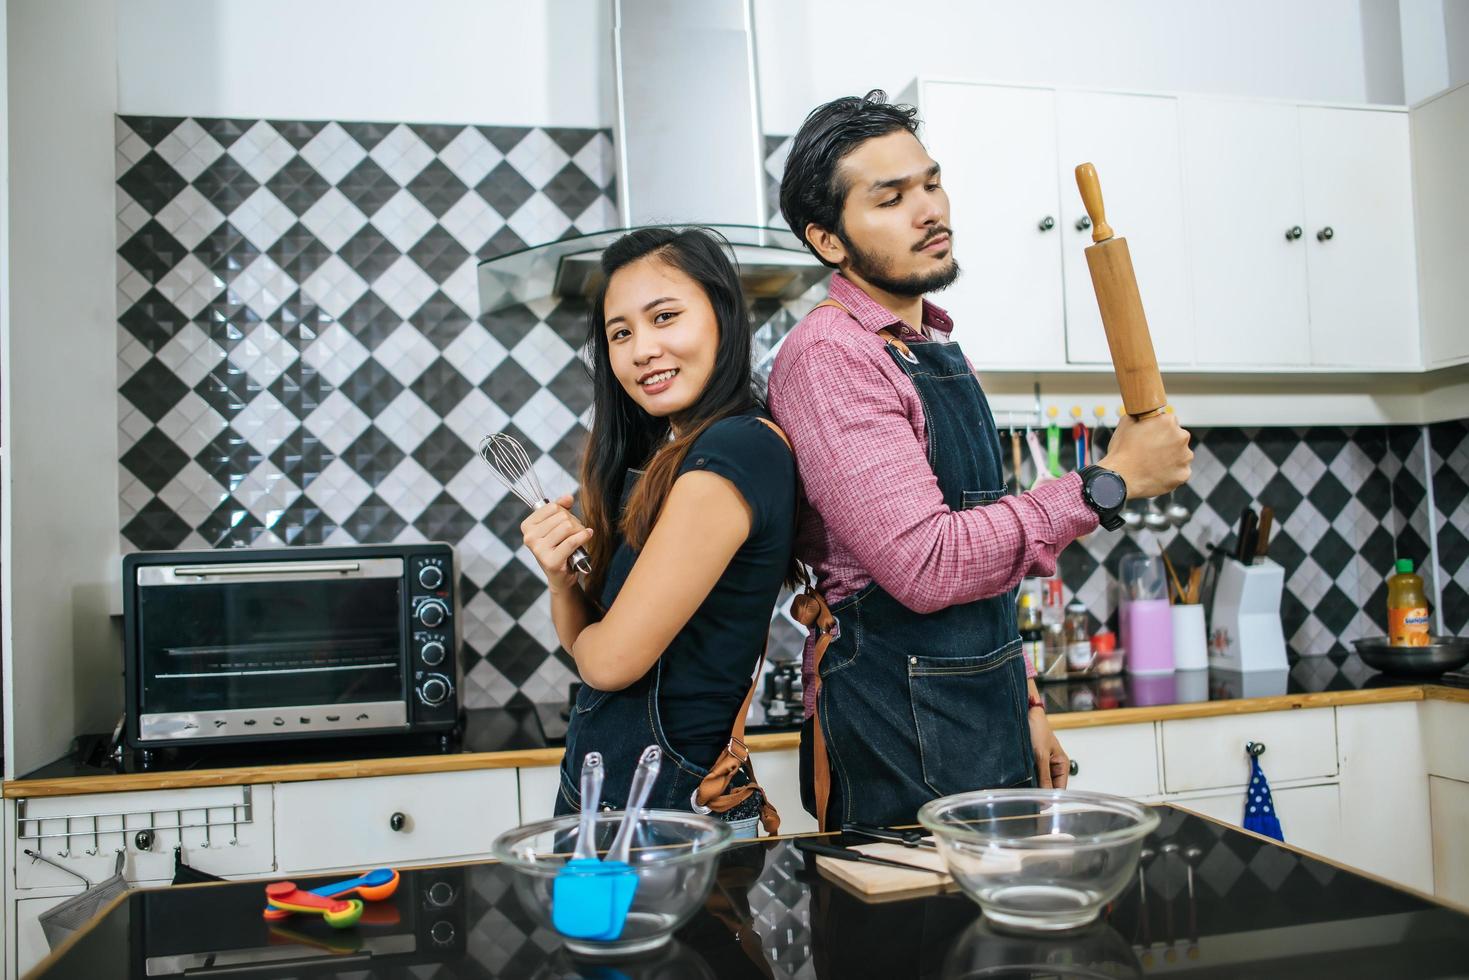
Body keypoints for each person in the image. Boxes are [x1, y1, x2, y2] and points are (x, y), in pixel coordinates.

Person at [769, 91, 1193, 829]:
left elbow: (980, 562)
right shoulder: (831, 355)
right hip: (894, 727)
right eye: (891, 198)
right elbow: (927, 564)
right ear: (828, 240)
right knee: (916, 942)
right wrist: (1105, 484)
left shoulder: (928, 345)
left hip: (979, 708)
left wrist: (1022, 698)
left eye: (930, 183)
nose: (929, 209)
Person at [522, 227, 796, 838]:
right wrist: (560, 575)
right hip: (625, 803)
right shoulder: (673, 456)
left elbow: (609, 661)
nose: (642, 349)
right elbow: (585, 642)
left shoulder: (738, 449)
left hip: (667, 813)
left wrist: (595, 642)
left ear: (723, 314)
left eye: (664, 316)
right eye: (621, 333)